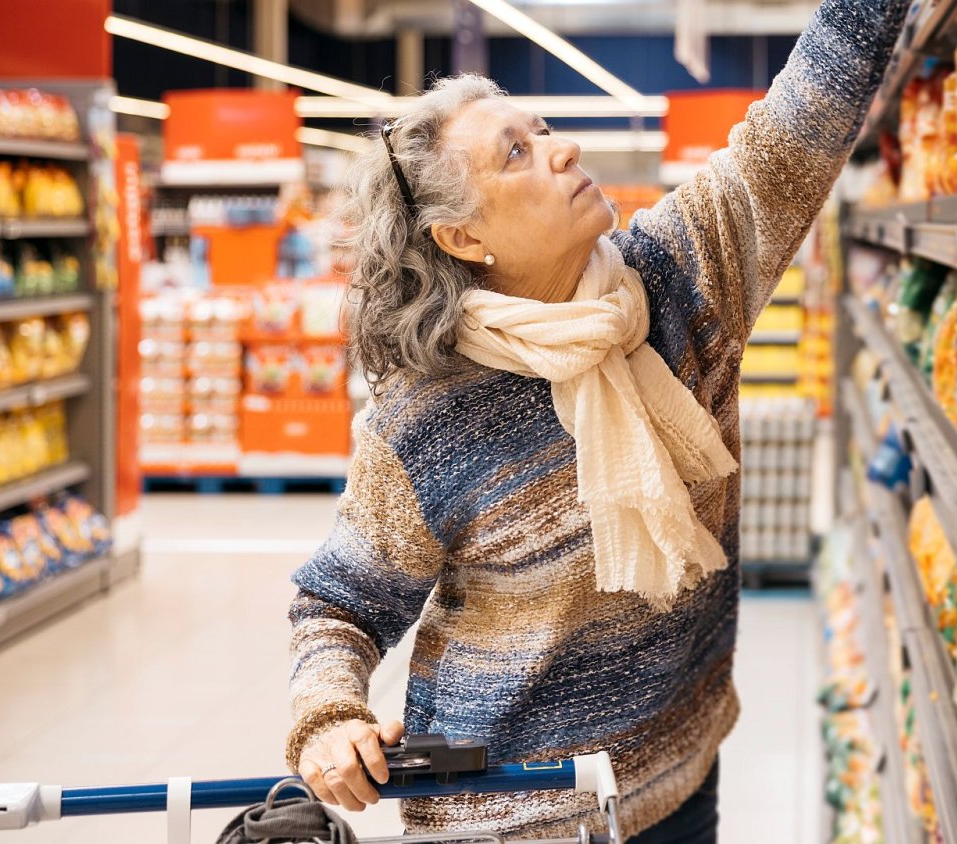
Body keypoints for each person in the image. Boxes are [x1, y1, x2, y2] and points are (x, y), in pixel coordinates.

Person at [284, 0, 911, 839]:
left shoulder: (678, 281)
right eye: (520, 153)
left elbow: (802, 120)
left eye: (541, 130)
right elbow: (340, 605)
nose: (561, 148)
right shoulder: (431, 417)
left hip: (678, 779)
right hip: (506, 815)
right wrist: (329, 716)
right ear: (465, 239)